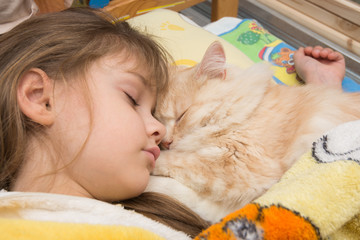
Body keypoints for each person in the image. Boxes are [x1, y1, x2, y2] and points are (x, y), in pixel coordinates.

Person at [0, 6, 347, 240]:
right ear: (40, 97)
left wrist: (324, 94)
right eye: (132, 99)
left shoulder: (136, 198)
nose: (161, 131)